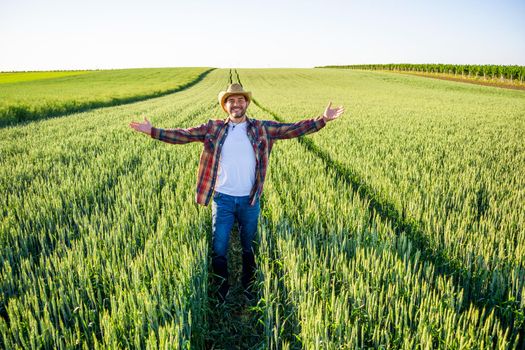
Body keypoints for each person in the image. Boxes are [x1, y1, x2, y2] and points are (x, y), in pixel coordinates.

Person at [129, 83, 344, 302]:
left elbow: (291, 129)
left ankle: (249, 286)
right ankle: (222, 289)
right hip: (222, 199)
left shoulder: (261, 128)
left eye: (240, 100)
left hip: (250, 200)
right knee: (219, 247)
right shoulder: (214, 128)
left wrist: (322, 120)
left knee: (248, 246)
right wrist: (154, 132)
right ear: (225, 106)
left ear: (246, 103)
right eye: (231, 100)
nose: (236, 104)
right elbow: (184, 135)